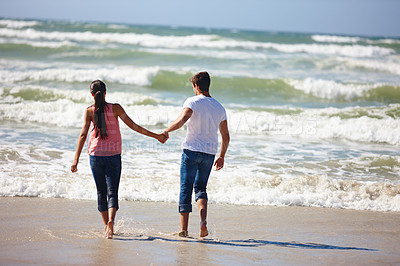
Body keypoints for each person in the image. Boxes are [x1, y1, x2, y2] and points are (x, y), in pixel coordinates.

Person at [71, 80, 167, 239]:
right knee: (112, 191)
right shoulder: (115, 108)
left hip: (95, 155)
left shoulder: (89, 111)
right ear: (106, 92)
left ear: (91, 94)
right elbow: (134, 126)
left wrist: (75, 160)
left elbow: (82, 135)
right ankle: (111, 222)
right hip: (113, 155)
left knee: (101, 192)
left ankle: (106, 227)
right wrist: (156, 136)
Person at [163, 71, 230, 238]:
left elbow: (182, 119)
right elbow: (226, 136)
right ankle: (203, 223)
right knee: (200, 188)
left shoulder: (192, 101)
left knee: (186, 188)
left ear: (197, 86)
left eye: (193, 86)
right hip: (209, 153)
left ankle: (184, 230)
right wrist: (221, 156)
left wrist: (166, 131)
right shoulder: (219, 107)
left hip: (191, 151)